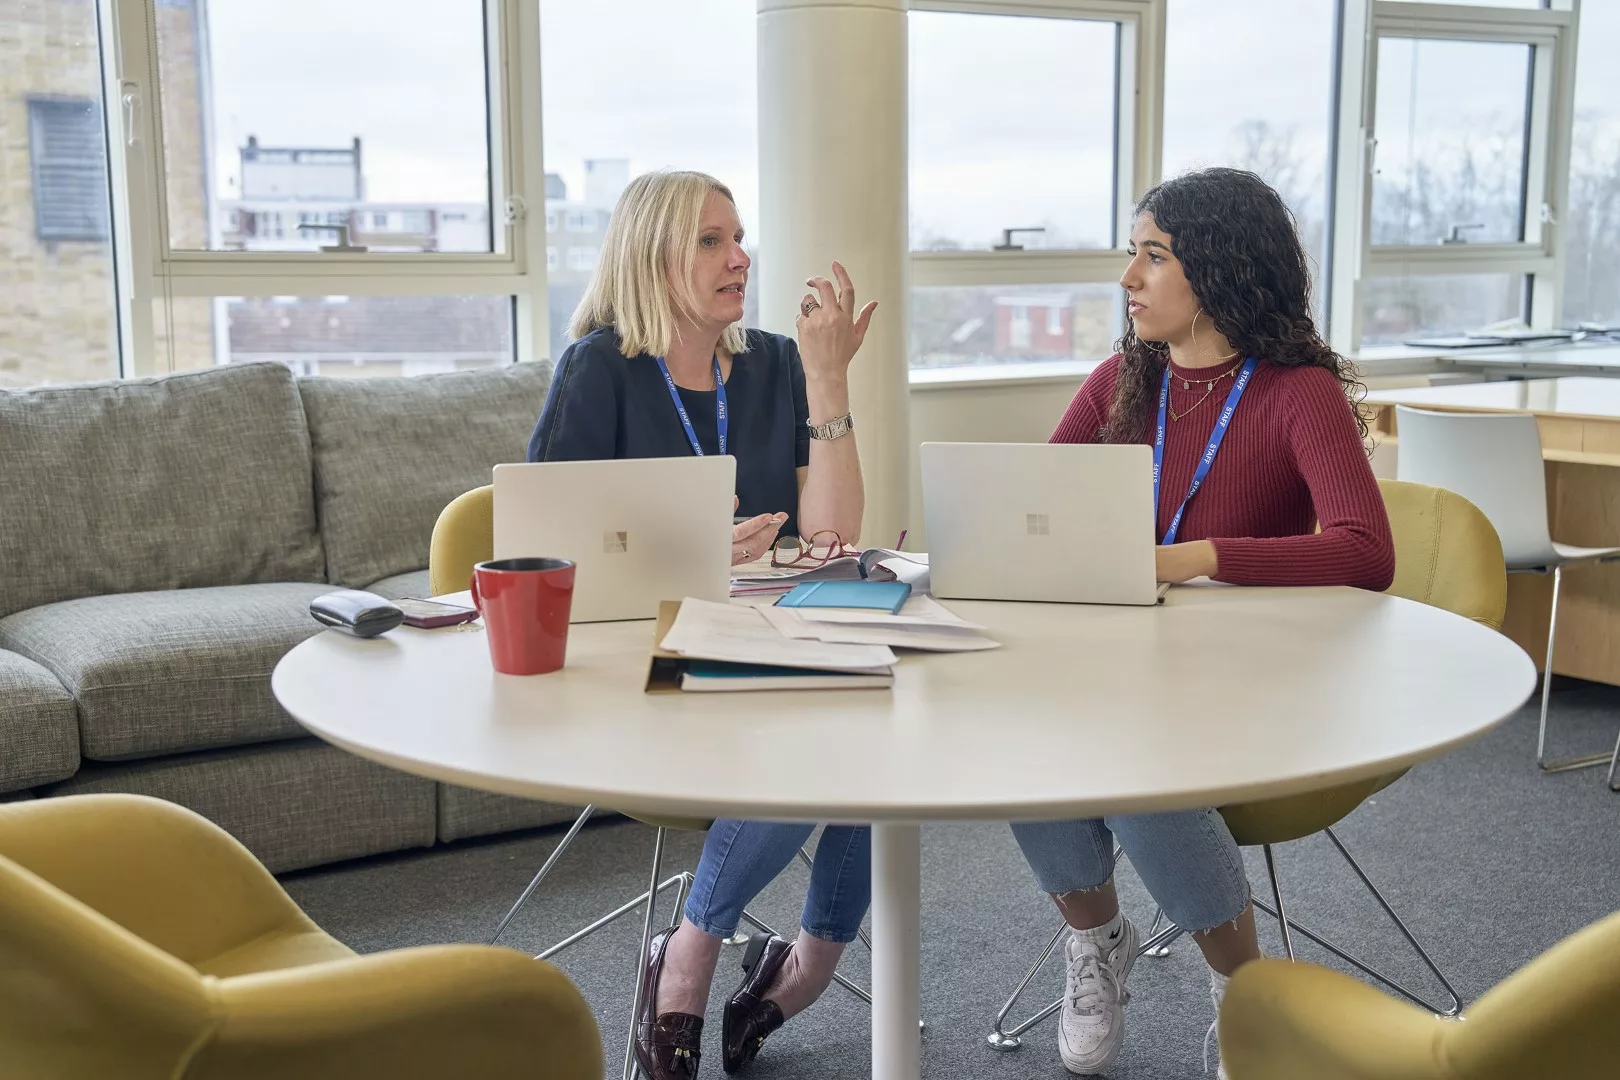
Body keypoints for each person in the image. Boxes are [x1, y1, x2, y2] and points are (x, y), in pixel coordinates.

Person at [1010, 167, 1395, 1078]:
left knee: (1129, 749)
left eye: (1154, 256)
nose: (1129, 279)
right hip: (1132, 672)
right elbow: (1030, 509)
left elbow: (1365, 550)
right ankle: (1096, 938)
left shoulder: (1296, 391)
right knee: (1018, 722)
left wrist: (1201, 555)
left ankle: (1245, 990)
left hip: (1252, 682)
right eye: (1131, 255)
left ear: (1216, 270)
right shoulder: (1120, 381)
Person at [526, 169, 878, 1080]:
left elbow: (836, 536)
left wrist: (829, 377)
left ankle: (801, 968)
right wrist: (690, 556)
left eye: (740, 237)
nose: (741, 257)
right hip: (640, 656)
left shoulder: (768, 364)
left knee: (876, 712)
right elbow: (547, 555)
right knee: (806, 723)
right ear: (654, 256)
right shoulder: (599, 369)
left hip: (759, 637)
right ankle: (692, 955)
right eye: (712, 241)